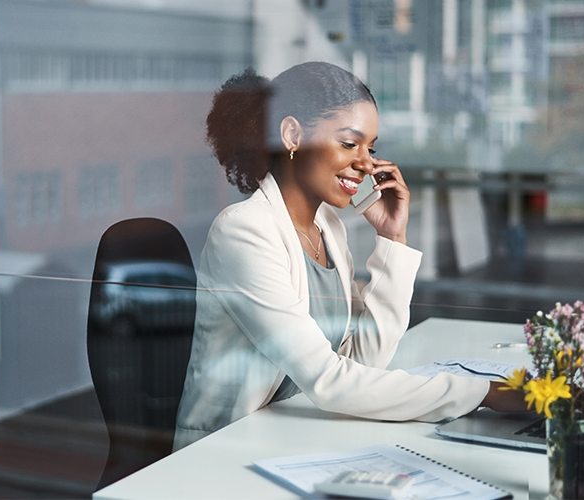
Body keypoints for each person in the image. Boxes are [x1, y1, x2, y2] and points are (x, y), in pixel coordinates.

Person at [173, 62, 524, 451]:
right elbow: (329, 381)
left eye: (370, 149)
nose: (367, 164)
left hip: (300, 438)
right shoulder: (243, 231)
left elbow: (363, 361)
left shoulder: (329, 227)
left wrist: (393, 237)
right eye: (348, 143)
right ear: (292, 135)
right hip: (226, 452)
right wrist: (484, 392)